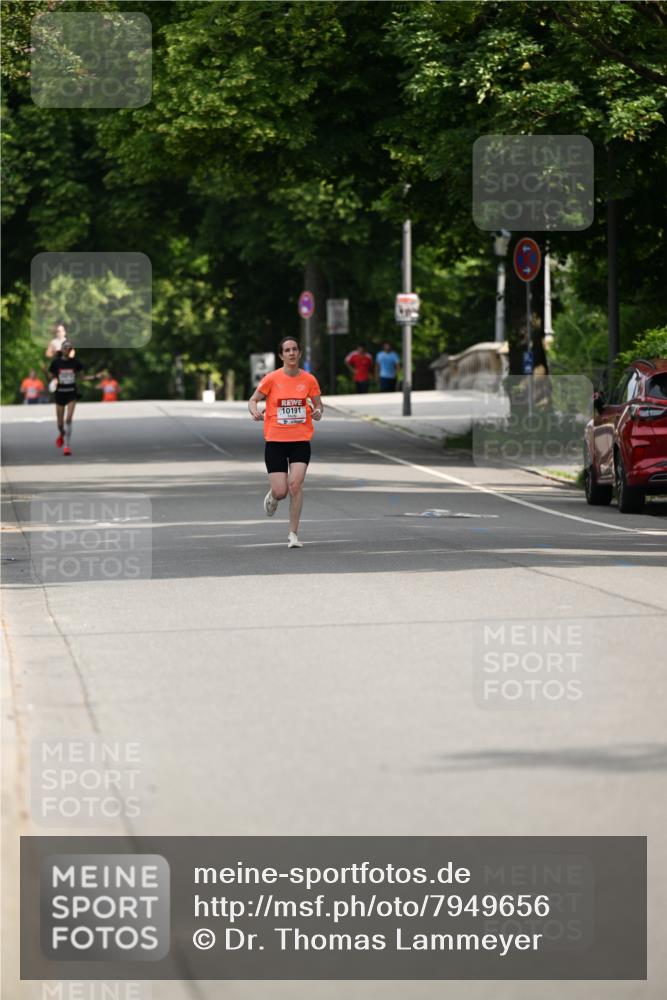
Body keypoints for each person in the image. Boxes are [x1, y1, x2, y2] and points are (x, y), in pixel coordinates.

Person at [248, 336, 323, 549]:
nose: (291, 353)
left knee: (295, 485)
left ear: (299, 353)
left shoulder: (309, 380)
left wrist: (317, 412)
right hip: (276, 441)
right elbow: (253, 400)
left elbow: (318, 405)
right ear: (281, 356)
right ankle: (273, 495)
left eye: (294, 350)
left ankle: (293, 534)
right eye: (287, 350)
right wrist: (255, 412)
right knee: (281, 491)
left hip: (300, 439)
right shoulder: (272, 379)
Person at [48, 340, 96, 456]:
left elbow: (82, 378)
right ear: (62, 349)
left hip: (71, 393)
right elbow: (51, 377)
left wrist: (95, 377)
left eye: (69, 348)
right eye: (65, 347)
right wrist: (52, 381)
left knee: (68, 419)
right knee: (60, 424)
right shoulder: (56, 363)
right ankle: (62, 433)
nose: (67, 350)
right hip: (60, 393)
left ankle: (67, 446)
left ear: (71, 350)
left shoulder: (76, 363)